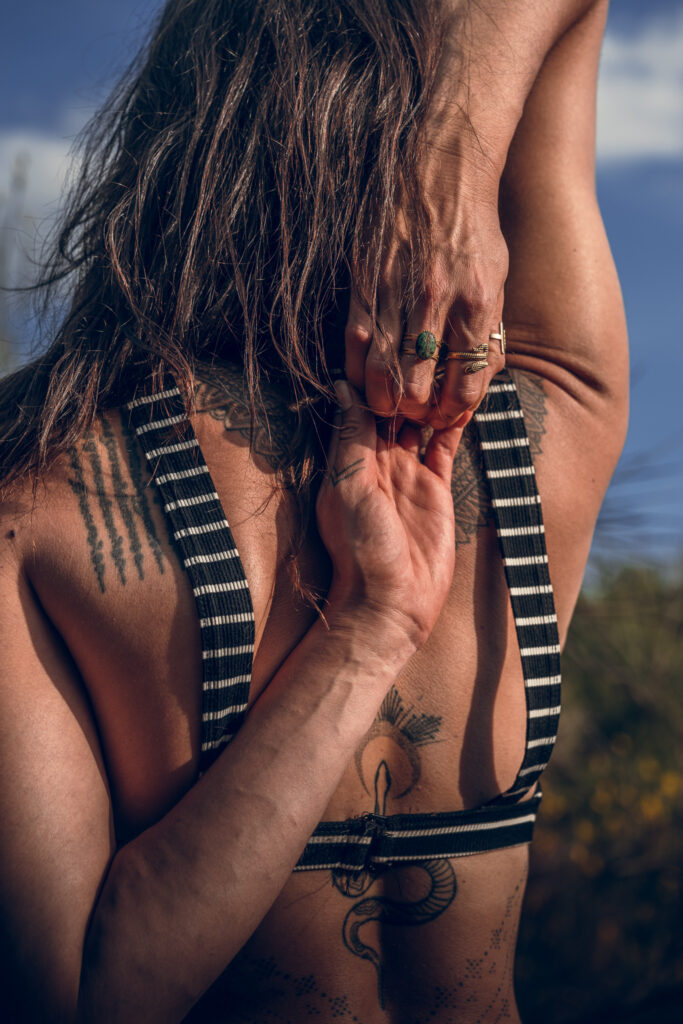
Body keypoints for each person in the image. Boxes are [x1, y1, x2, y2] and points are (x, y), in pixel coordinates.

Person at [0, 0, 627, 1021]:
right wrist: (450, 155)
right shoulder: (547, 418)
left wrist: (366, 637)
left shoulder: (35, 500)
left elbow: (84, 995)